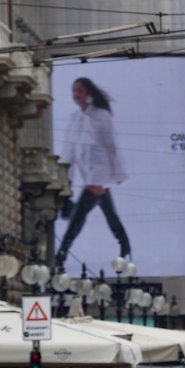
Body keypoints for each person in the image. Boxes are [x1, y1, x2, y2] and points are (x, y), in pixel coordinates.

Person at [54, 75, 130, 271]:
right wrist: (66, 178)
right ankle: (124, 244)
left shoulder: (100, 115)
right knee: (109, 213)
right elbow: (69, 150)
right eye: (73, 91)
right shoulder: (75, 118)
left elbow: (110, 145)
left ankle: (62, 253)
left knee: (78, 215)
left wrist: (118, 174)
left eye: (79, 91)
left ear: (88, 93)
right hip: (86, 173)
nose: (75, 95)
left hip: (99, 172)